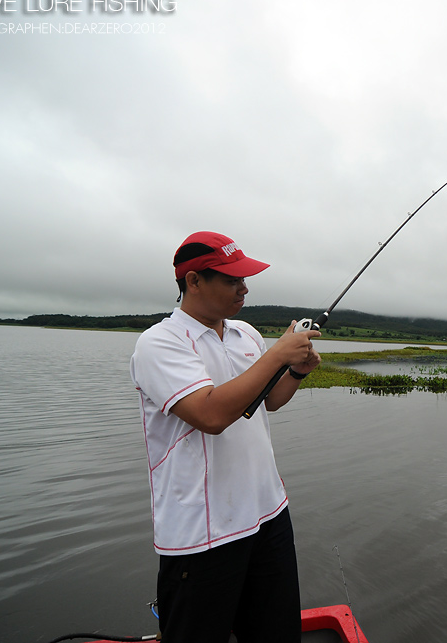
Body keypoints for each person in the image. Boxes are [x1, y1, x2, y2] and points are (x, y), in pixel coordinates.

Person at [130, 230, 321, 643]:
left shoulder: (246, 334)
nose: (244, 288)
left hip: (269, 516)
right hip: (202, 534)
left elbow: (268, 402)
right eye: (232, 279)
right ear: (193, 281)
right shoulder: (158, 344)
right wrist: (277, 354)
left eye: (245, 279)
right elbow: (210, 414)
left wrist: (296, 371)